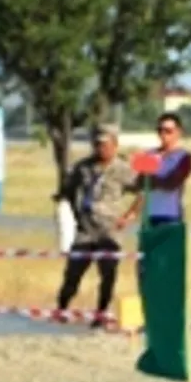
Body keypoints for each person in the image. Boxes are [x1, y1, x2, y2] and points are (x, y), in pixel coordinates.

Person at [56, 124, 134, 321]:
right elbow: (68, 191)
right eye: (98, 144)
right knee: (73, 272)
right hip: (85, 228)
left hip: (110, 229)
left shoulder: (123, 169)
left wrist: (130, 215)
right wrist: (74, 213)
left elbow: (143, 191)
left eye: (106, 145)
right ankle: (62, 308)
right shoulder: (83, 167)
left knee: (108, 275)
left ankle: (101, 313)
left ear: (115, 145)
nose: (101, 149)